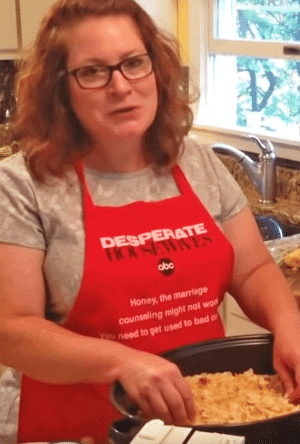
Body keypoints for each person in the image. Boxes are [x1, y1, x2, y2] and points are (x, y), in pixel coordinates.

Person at [0, 0, 300, 443]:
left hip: (202, 419)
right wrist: (122, 362)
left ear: (155, 68)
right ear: (59, 89)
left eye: (133, 63)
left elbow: (252, 267)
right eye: (93, 71)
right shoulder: (23, 185)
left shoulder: (195, 160)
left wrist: (288, 322)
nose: (120, 86)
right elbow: (13, 329)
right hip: (82, 426)